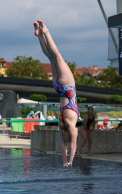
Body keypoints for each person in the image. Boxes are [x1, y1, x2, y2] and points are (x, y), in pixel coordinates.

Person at [34, 20, 80, 167]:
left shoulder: (71, 126)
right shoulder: (62, 126)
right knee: (51, 57)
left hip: (68, 89)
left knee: (58, 56)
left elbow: (72, 146)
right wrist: (65, 161)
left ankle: (45, 32)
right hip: (59, 89)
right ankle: (39, 36)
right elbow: (63, 147)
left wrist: (70, 161)